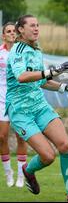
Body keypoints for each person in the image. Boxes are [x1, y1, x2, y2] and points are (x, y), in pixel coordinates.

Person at [6, 14, 68, 201]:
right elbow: (22, 76)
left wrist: (67, 87)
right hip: (20, 112)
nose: (36, 29)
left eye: (38, 25)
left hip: (40, 106)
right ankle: (28, 169)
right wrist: (53, 70)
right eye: (32, 26)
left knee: (65, 146)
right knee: (48, 156)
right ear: (21, 29)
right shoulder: (18, 50)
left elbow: (41, 80)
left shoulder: (37, 50)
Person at [0, 22, 28, 188]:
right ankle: (8, 172)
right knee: (2, 136)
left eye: (13, 31)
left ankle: (20, 175)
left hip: (19, 100)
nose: (11, 33)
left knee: (21, 136)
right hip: (2, 99)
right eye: (8, 31)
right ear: (4, 35)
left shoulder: (22, 52)